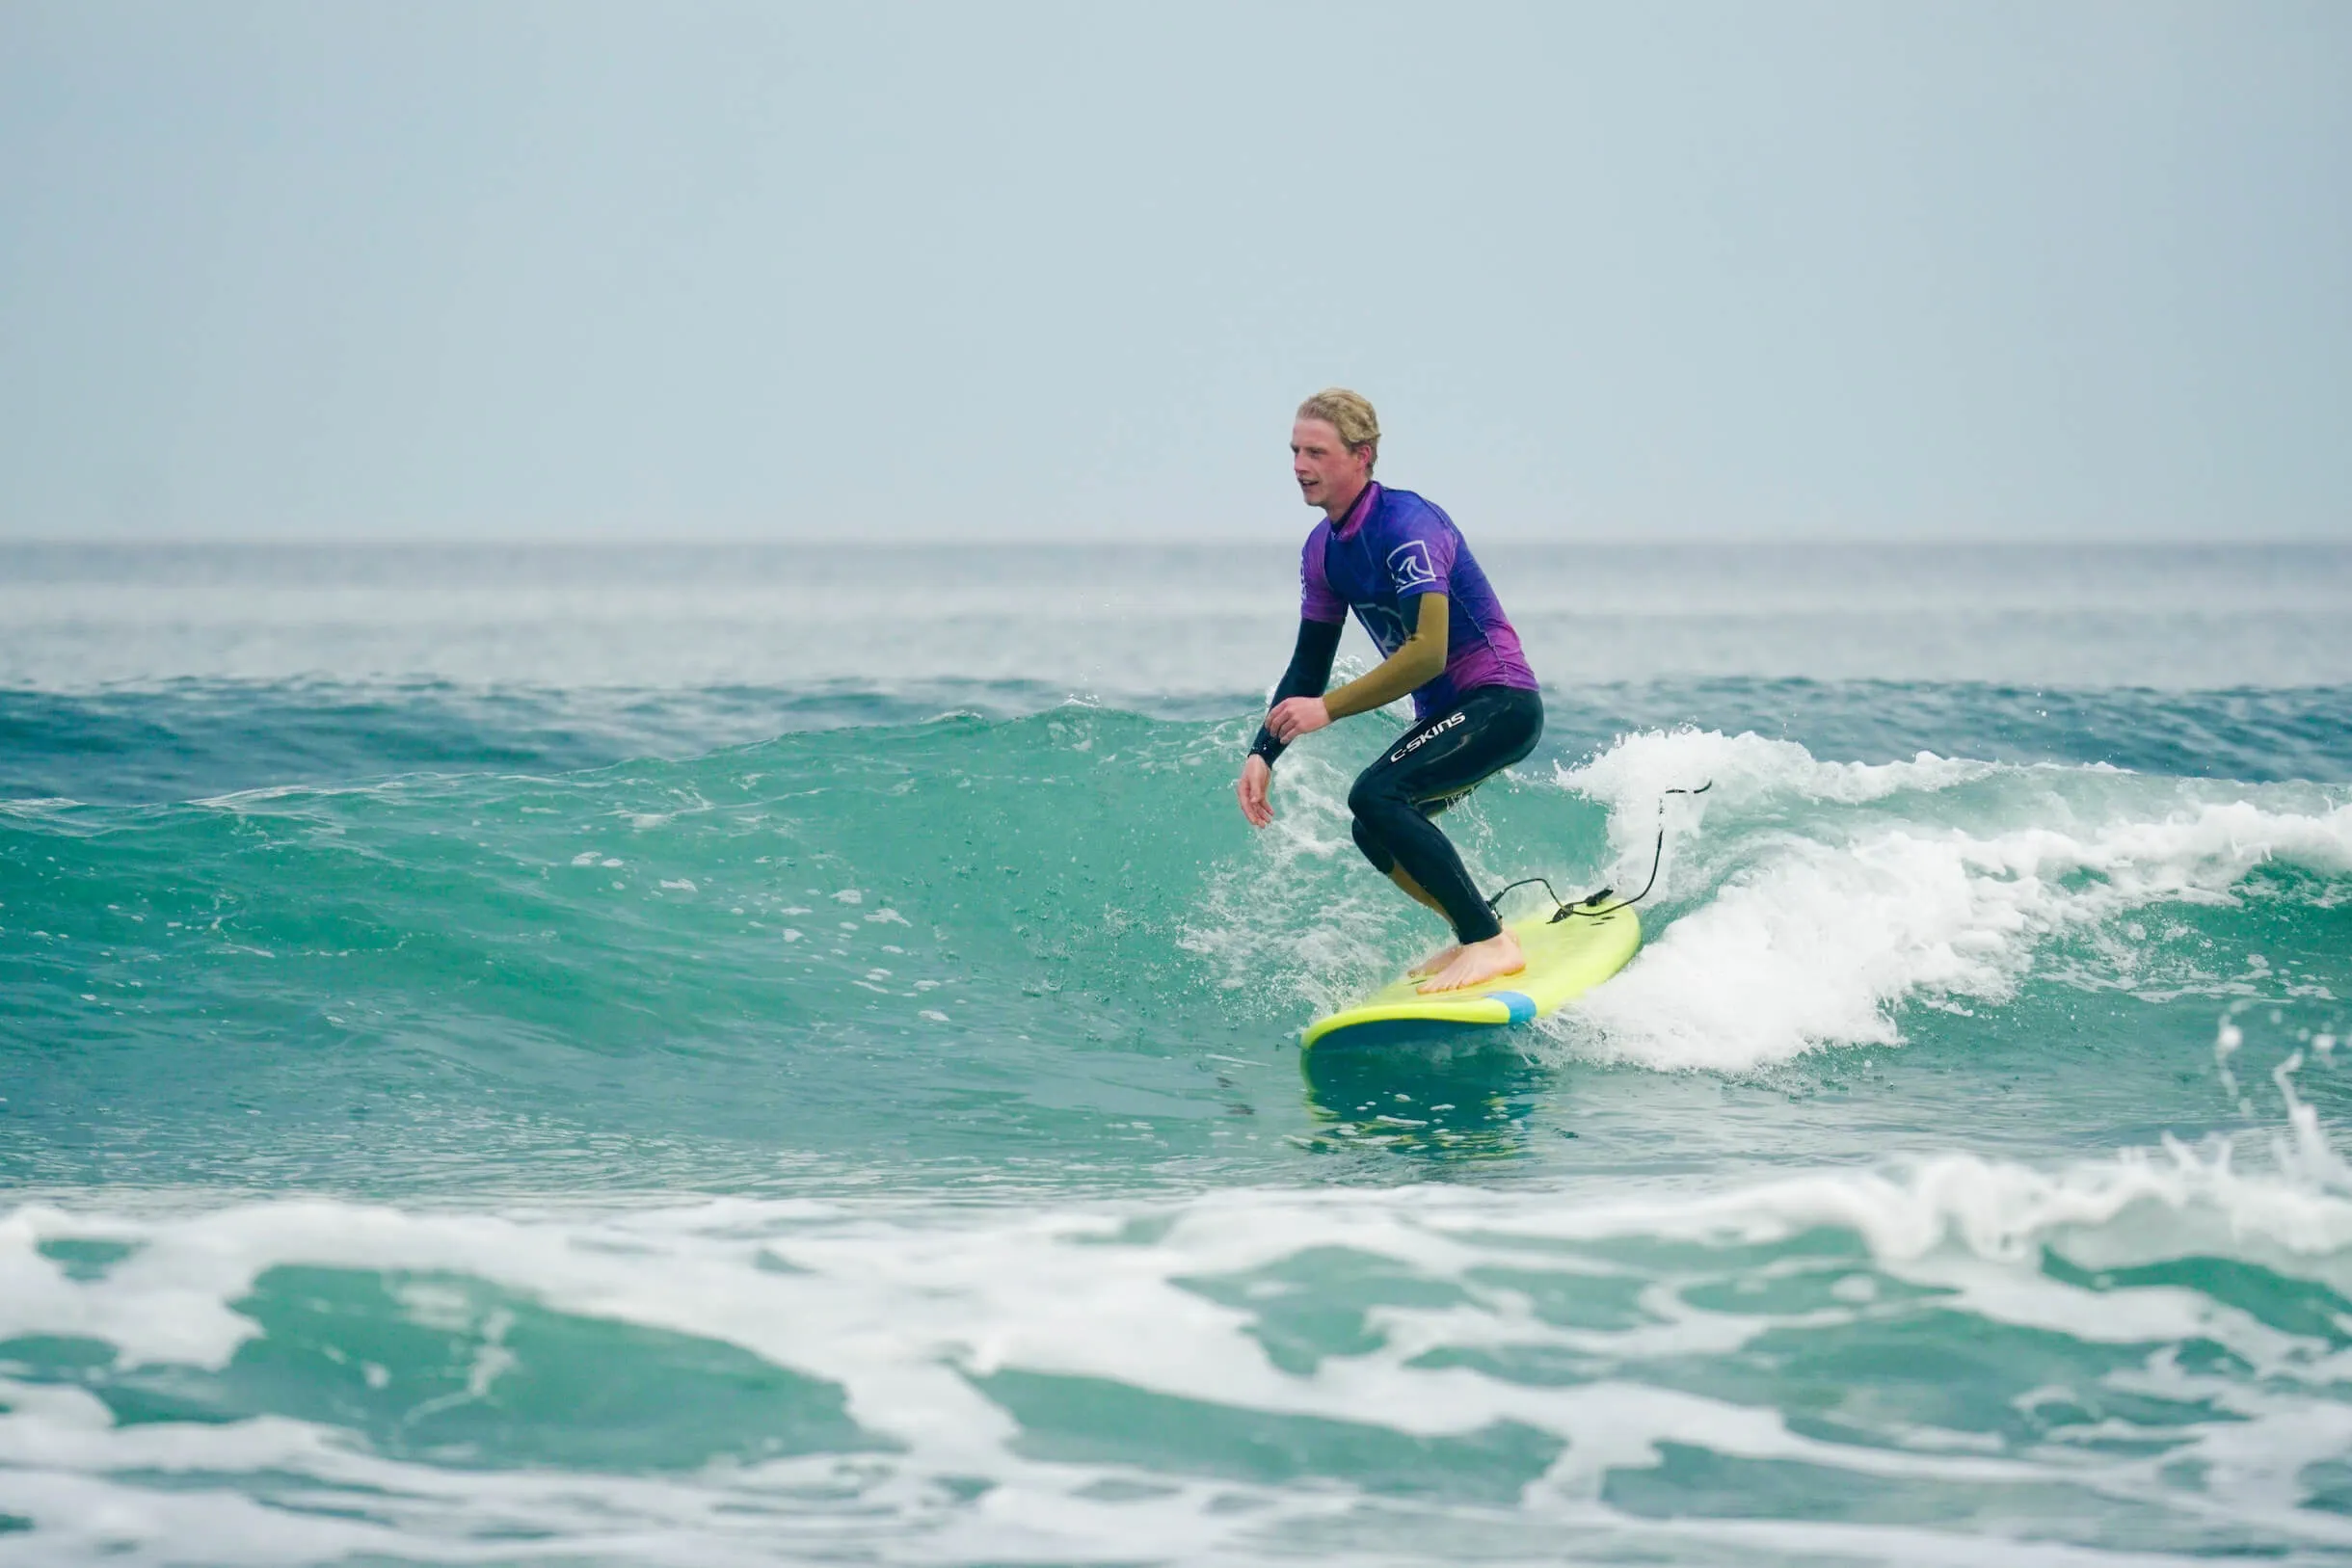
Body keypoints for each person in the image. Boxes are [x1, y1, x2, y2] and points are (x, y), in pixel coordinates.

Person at [1236, 388, 1544, 994]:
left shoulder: (1407, 525)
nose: (1300, 465)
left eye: (1316, 452)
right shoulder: (1323, 551)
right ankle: (1478, 932)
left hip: (1499, 701)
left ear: (1362, 456)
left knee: (1377, 795)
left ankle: (1487, 940)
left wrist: (1326, 711)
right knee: (1372, 823)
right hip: (1452, 713)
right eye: (1295, 451)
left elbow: (1428, 651)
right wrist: (1261, 752)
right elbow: (1308, 665)